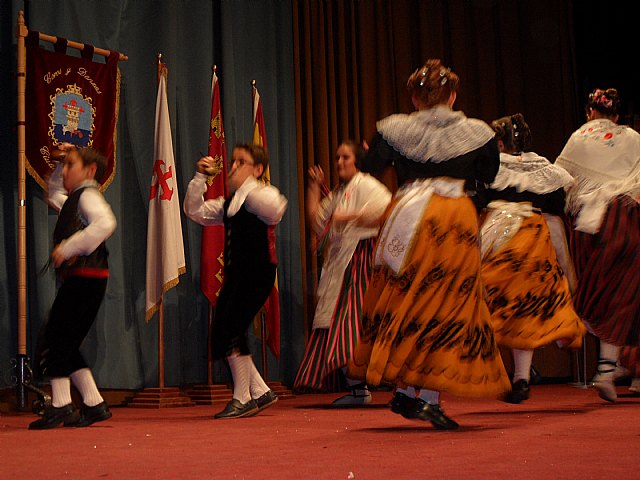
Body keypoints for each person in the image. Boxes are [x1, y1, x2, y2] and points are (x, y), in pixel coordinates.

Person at [347, 59, 511, 430]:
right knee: (449, 303)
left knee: (406, 298)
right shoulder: (477, 132)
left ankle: (407, 390)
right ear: (452, 95)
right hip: (453, 219)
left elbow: (371, 165)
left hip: (408, 216)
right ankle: (429, 398)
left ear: (415, 97)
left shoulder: (394, 129)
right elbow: (488, 175)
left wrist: (370, 151)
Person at [481, 113, 586, 403]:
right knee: (524, 311)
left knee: (490, 307)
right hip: (533, 240)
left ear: (500, 142)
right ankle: (521, 378)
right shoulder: (544, 171)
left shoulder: (491, 169)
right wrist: (564, 266)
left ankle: (502, 375)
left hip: (499, 240)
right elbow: (554, 220)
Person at [184, 143, 287, 419]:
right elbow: (194, 211)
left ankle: (242, 397)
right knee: (226, 329)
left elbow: (277, 208)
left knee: (231, 328)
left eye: (242, 162)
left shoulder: (260, 195)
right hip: (237, 273)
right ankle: (261, 391)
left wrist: (248, 185)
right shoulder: (231, 203)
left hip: (257, 272)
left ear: (258, 169)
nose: (233, 167)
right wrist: (199, 179)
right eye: (233, 161)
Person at [556, 88, 640, 402]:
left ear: (590, 112)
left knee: (594, 297)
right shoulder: (632, 137)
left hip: (587, 226)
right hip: (623, 219)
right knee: (623, 294)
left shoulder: (579, 136)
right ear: (616, 116)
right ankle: (611, 367)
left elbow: (562, 178)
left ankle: (612, 367)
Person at [293, 141, 391, 404]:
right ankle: (358, 389)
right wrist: (314, 187)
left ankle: (369, 385)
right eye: (337, 158)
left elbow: (386, 212)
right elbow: (317, 220)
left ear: (357, 160)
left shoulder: (367, 184)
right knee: (337, 320)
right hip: (342, 263)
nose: (339, 163)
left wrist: (348, 217)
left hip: (362, 260)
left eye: (345, 157)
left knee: (351, 320)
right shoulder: (339, 192)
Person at [29, 144, 117, 429]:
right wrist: (59, 164)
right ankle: (93, 404)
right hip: (84, 278)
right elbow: (54, 194)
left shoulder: (88, 195)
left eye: (71, 165)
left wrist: (68, 248)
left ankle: (62, 405)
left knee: (57, 337)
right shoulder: (76, 197)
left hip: (86, 277)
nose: (65, 170)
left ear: (90, 171)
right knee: (63, 339)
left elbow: (105, 223)